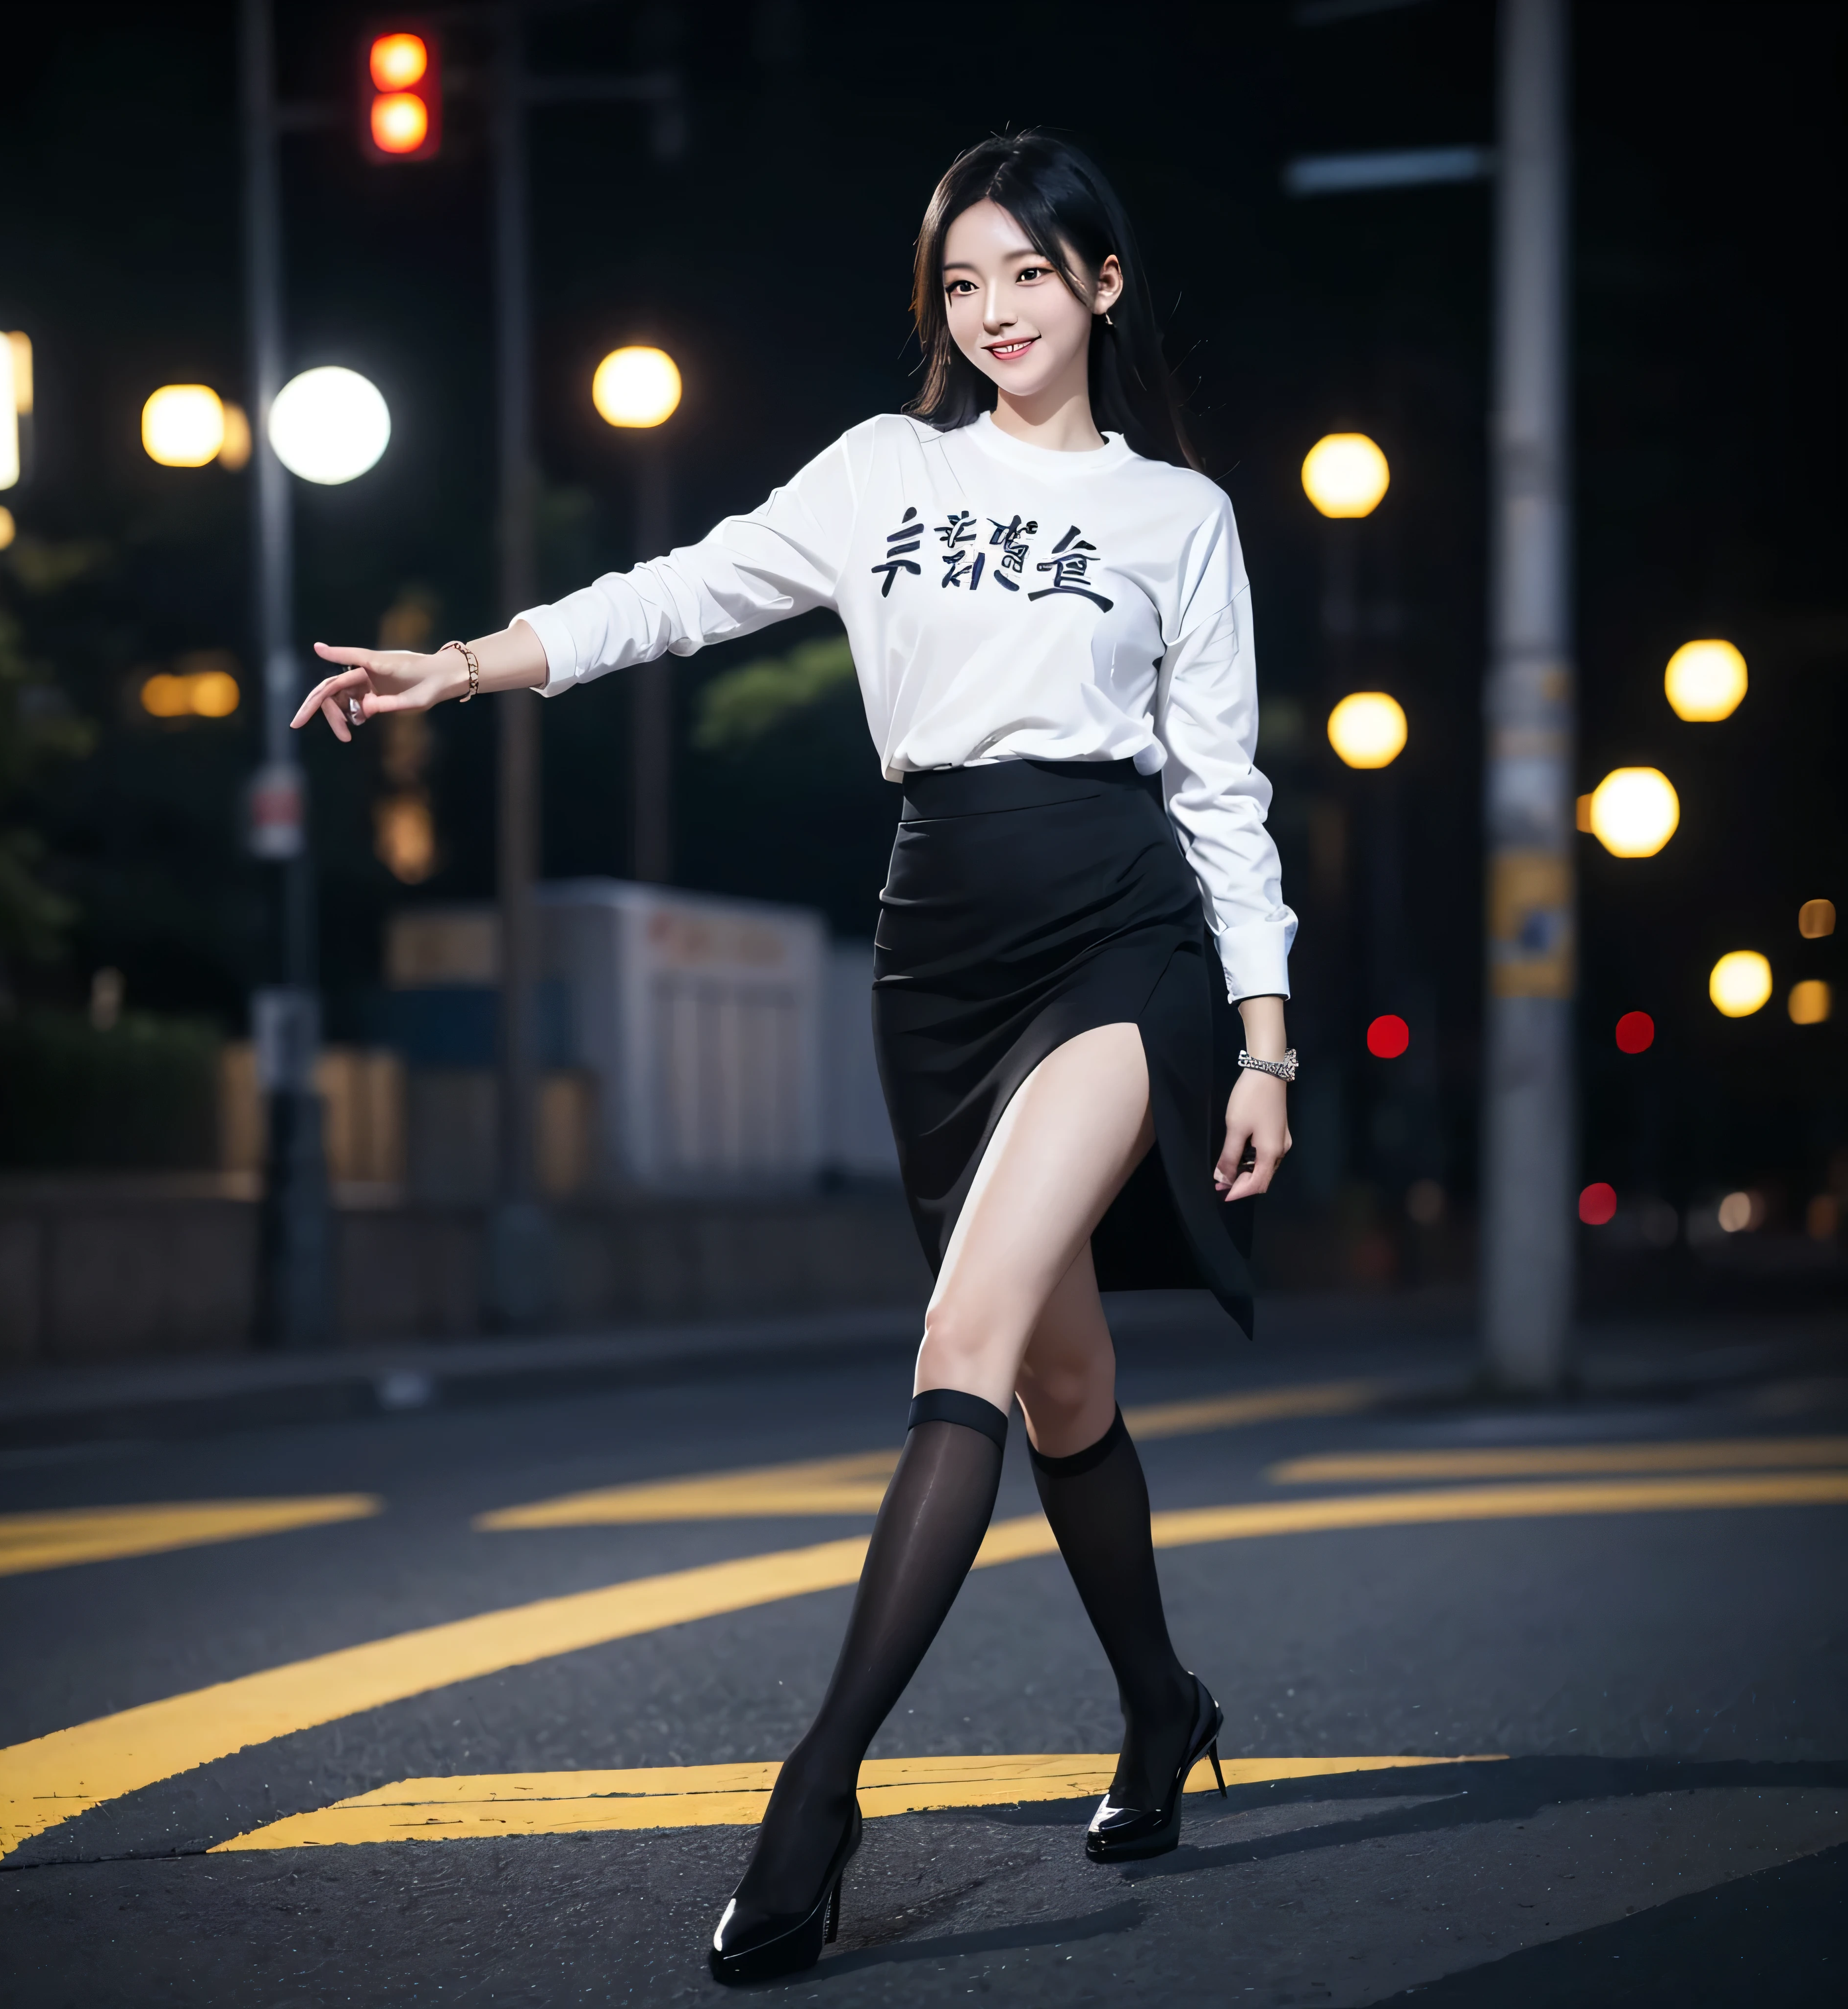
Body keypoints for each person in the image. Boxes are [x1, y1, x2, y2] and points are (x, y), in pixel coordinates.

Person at [294, 130, 1295, 1986]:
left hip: (1115, 937)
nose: (992, 312)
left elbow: (1220, 791)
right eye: (961, 284)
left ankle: (815, 1796)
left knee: (965, 1347)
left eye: (1025, 274)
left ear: (1103, 284)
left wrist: (1259, 1042)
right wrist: (461, 662)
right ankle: (1164, 1706)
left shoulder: (1181, 517)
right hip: (939, 953)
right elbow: (673, 592)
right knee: (1059, 1384)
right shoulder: (884, 474)